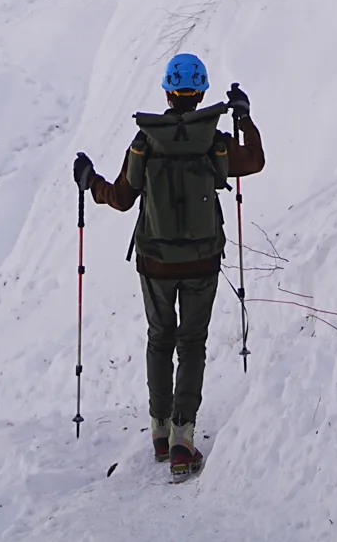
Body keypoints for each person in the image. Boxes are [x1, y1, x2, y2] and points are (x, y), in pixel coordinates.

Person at [75, 52, 264, 479]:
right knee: (192, 342)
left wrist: (91, 182)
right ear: (200, 93)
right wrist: (245, 118)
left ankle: (160, 432)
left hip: (155, 261)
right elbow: (254, 161)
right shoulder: (213, 140)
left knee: (160, 339)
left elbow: (122, 198)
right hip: (202, 259)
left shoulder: (145, 140)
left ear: (167, 90)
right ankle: (183, 440)